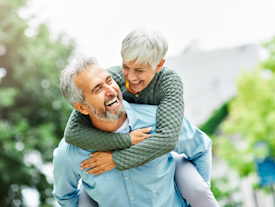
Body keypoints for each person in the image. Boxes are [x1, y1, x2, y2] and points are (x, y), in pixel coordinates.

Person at [63, 27, 219, 206]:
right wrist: (126, 140)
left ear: (158, 65)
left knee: (199, 191)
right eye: (126, 66)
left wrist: (116, 159)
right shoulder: (112, 79)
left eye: (139, 70)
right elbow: (73, 133)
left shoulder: (169, 83)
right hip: (124, 159)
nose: (130, 77)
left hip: (165, 155)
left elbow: (168, 140)